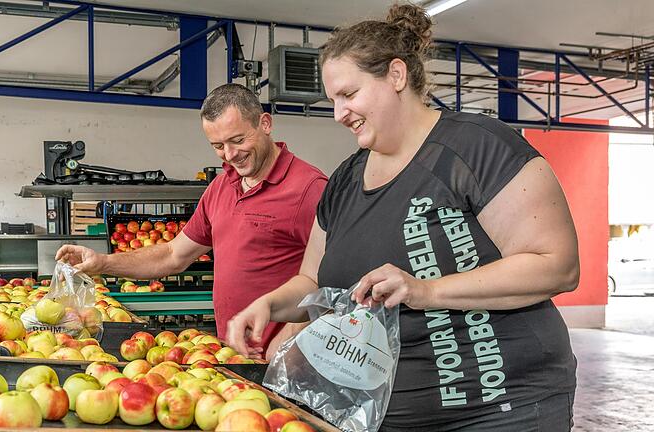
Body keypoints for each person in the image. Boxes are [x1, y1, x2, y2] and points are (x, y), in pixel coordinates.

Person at [226, 3, 579, 431]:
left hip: (500, 407)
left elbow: (555, 265)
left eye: (349, 94)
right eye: (333, 99)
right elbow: (314, 281)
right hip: (390, 413)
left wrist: (424, 290)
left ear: (396, 75)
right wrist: (271, 305)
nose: (339, 114)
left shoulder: (478, 148)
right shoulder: (346, 179)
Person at [56, 83, 326, 356]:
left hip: (289, 362)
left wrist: (289, 342)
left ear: (265, 123)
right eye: (218, 146)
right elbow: (173, 254)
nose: (230, 155)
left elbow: (334, 285)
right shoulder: (221, 187)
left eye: (238, 140)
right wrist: (103, 263)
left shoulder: (309, 188)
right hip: (233, 355)